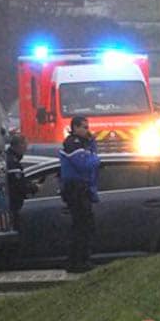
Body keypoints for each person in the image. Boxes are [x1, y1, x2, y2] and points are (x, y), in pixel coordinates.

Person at [59, 116, 100, 273]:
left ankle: (82, 259)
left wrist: (92, 145)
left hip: (82, 188)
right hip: (75, 189)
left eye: (87, 126)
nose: (87, 130)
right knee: (81, 226)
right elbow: (85, 164)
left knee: (85, 226)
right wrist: (95, 158)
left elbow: (91, 158)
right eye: (83, 127)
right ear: (75, 128)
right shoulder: (72, 143)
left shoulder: (82, 143)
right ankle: (77, 262)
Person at [6, 134, 38, 231]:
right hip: (14, 205)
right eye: (25, 145)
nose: (26, 148)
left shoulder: (9, 158)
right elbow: (18, 185)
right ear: (20, 145)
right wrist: (34, 187)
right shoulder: (13, 162)